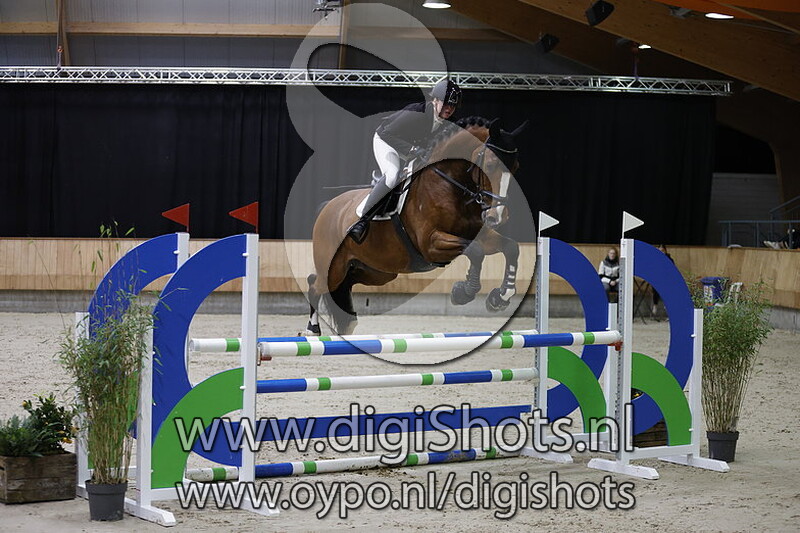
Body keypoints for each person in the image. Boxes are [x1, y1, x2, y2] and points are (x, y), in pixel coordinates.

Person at [347, 78, 462, 243]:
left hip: (412, 149)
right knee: (392, 175)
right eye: (446, 104)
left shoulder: (450, 123)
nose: (449, 109)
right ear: (435, 100)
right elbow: (386, 134)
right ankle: (362, 220)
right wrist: (413, 150)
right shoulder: (417, 113)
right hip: (387, 141)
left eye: (452, 106)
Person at [651, 244, 674, 316]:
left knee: (668, 289)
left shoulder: (669, 259)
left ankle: (667, 306)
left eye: (662, 251)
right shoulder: (655, 259)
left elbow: (672, 271)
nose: (661, 252)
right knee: (655, 288)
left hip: (667, 280)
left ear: (665, 251)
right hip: (657, 279)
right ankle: (655, 305)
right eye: (659, 251)